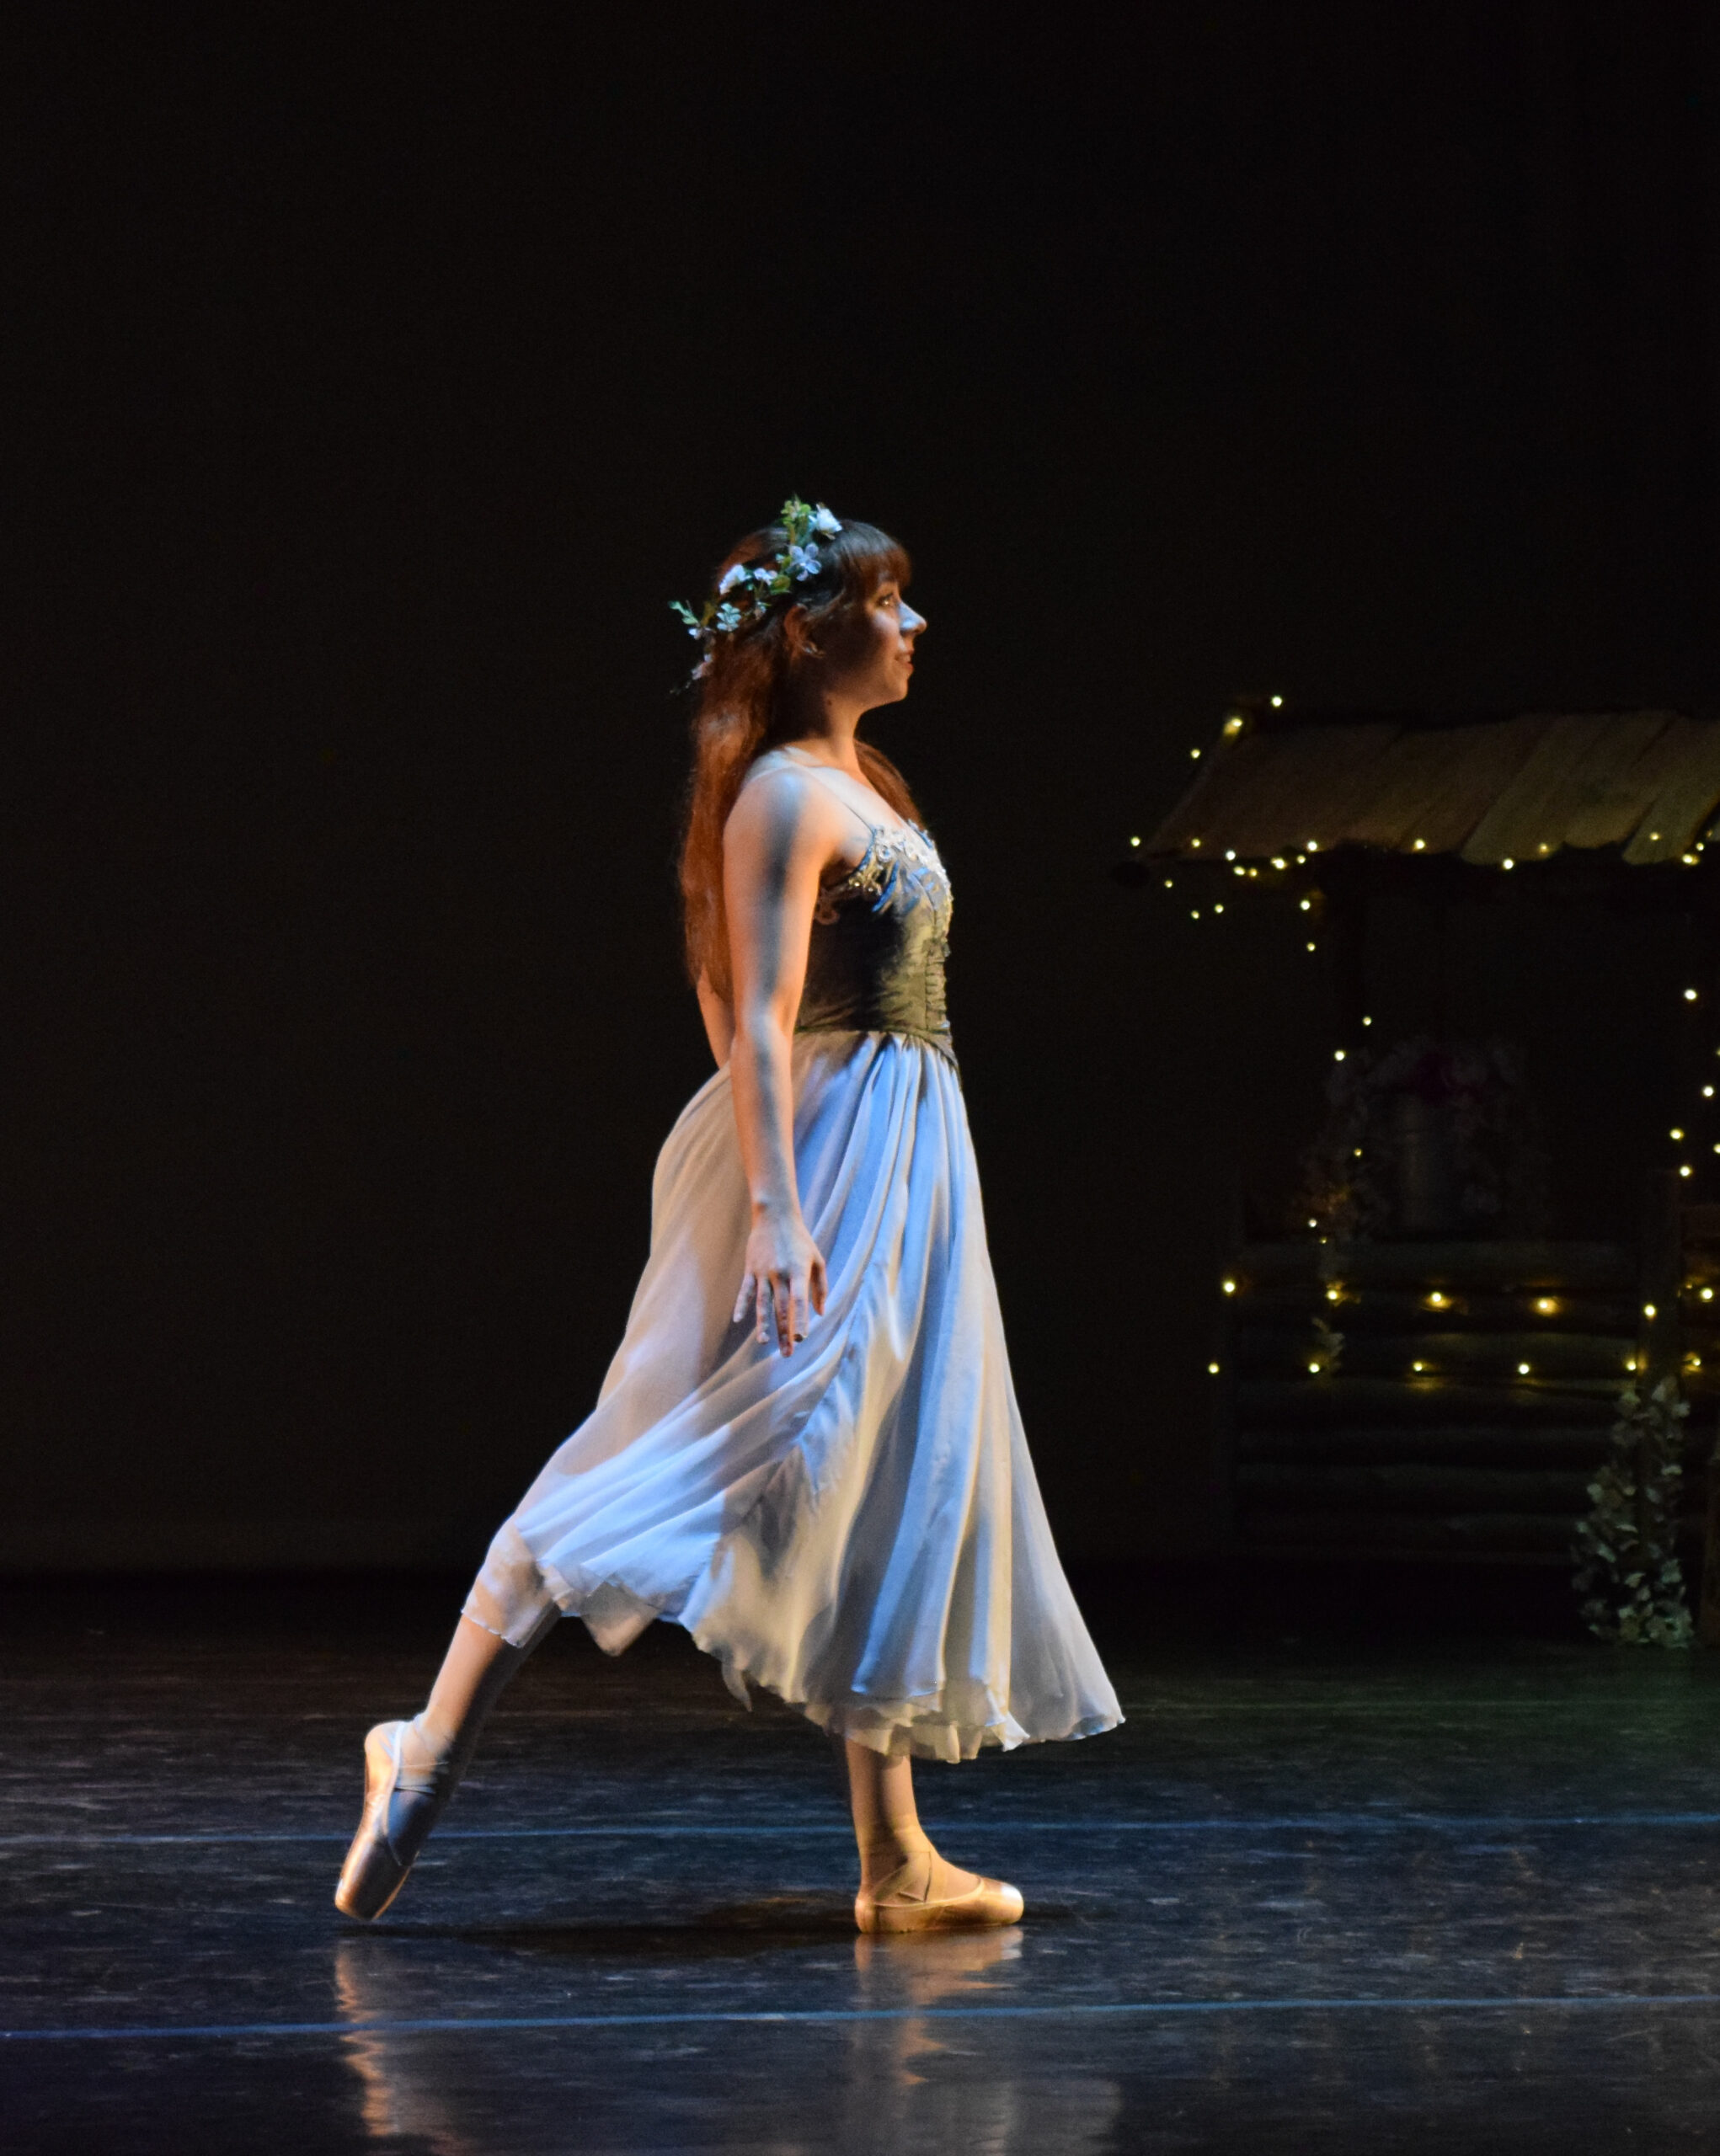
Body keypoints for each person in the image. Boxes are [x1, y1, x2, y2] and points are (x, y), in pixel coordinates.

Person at [335, 499, 1120, 1935]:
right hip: (826, 1159)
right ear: (813, 631)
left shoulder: (862, 781)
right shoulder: (777, 795)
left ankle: (894, 1859)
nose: (914, 624)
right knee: (667, 1454)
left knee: (882, 1472)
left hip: (906, 1149)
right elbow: (746, 1009)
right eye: (887, 602)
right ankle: (425, 1745)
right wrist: (775, 1204)